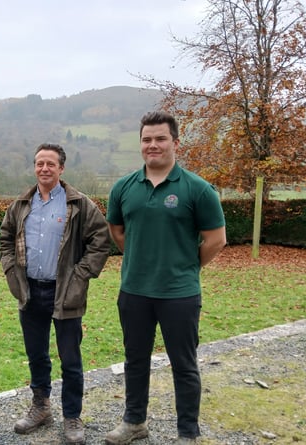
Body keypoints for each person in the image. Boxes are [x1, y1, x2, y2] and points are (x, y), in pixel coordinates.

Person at [104, 111, 227, 445]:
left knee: (184, 364)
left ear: (175, 142)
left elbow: (216, 240)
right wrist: (144, 259)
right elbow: (117, 231)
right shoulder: (123, 188)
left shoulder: (198, 190)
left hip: (180, 294)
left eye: (160, 139)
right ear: (140, 144)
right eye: (147, 139)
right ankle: (134, 423)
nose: (153, 145)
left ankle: (188, 432)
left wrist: (184, 266)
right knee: (135, 360)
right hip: (134, 291)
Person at [0, 143, 112, 445]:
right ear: (34, 167)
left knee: (70, 359)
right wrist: (11, 271)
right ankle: (41, 408)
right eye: (39, 163)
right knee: (37, 355)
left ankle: (72, 416)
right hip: (30, 292)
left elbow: (101, 241)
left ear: (61, 168)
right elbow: (6, 237)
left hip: (65, 293)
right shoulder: (22, 204)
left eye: (50, 164)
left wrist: (80, 275)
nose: (44, 169)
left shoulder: (79, 204)